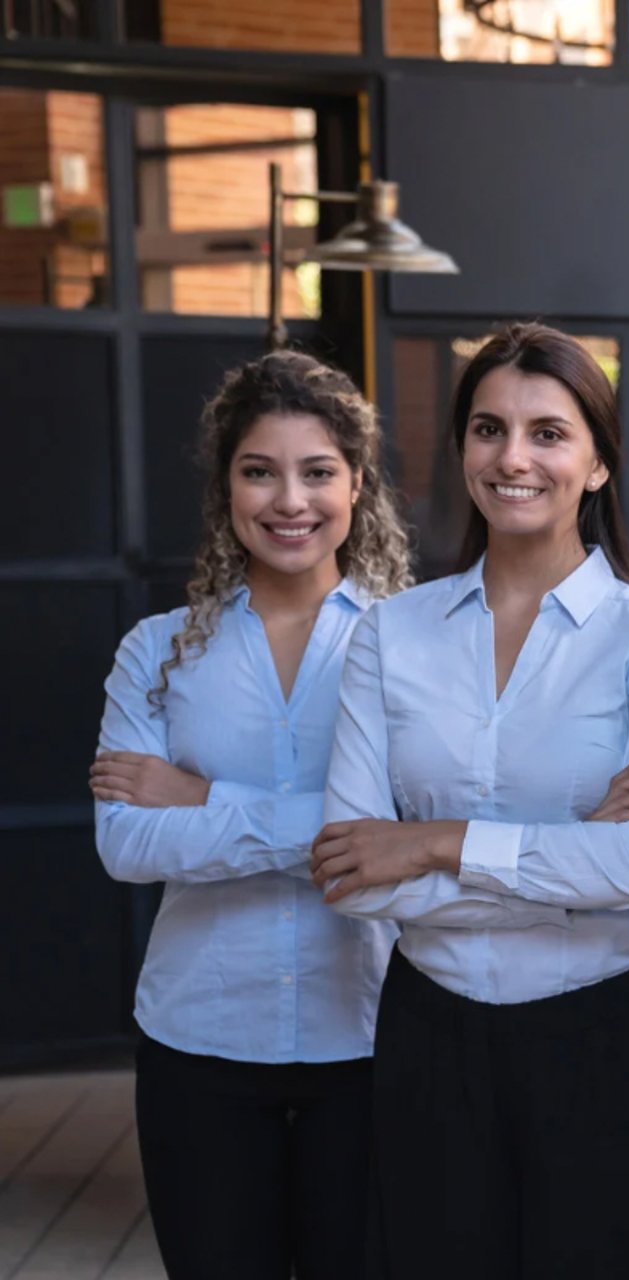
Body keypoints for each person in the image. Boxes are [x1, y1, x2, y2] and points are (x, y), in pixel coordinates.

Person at [314, 322, 629, 1278]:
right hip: (429, 1038)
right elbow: (351, 873)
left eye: (548, 433)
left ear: (601, 464)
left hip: (601, 1042)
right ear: (462, 451)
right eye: (488, 429)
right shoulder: (389, 636)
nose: (513, 457)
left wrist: (433, 842)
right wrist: (565, 853)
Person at [92, 350, 411, 1279]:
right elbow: (126, 843)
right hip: (200, 1043)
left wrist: (205, 801)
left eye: (317, 472)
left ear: (358, 485)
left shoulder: (412, 647)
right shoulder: (155, 652)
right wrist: (339, 831)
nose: (289, 501)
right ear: (226, 485)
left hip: (369, 1040)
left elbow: (417, 824)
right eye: (259, 471)